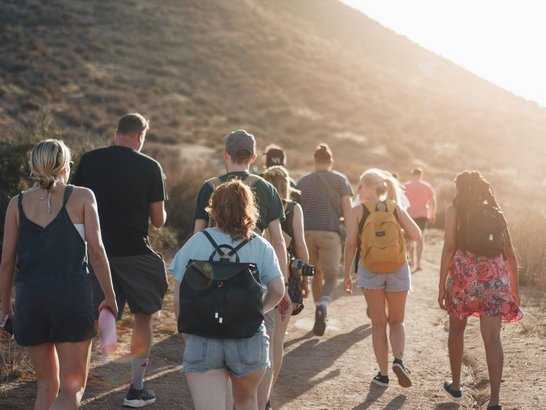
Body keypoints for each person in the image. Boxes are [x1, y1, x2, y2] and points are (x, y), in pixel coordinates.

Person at [0, 139, 118, 409]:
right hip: (72, 301)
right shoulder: (83, 196)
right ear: (65, 165)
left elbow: (6, 262)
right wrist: (110, 296)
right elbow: (97, 252)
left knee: (46, 386)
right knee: (71, 390)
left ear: (33, 166)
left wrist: (5, 306)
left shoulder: (16, 204)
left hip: (30, 302)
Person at [71, 113, 168, 408]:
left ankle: (74, 388)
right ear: (141, 136)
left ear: (116, 133)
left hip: (95, 250)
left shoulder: (89, 159)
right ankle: (135, 390)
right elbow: (159, 220)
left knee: (96, 311)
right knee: (144, 313)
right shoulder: (150, 166)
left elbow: (73, 205)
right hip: (134, 252)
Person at [192, 129, 289, 410]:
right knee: (262, 345)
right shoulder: (267, 188)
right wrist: (280, 284)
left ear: (226, 155)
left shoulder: (208, 186)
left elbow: (197, 236)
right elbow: (278, 240)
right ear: (254, 157)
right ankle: (259, 403)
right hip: (256, 279)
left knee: (216, 349)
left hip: (213, 281)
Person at [170, 180, 285, 410]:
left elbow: (178, 295)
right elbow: (278, 290)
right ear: (248, 209)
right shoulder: (261, 246)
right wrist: (255, 312)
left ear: (215, 209)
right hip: (247, 337)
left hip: (203, 335)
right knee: (246, 402)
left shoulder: (196, 242)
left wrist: (186, 331)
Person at [438, 171, 522, 409]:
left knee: (456, 330)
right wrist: (514, 290)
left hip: (463, 278)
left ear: (459, 188)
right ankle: (495, 400)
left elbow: (448, 248)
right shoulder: (495, 212)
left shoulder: (455, 210)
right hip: (494, 279)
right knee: (493, 338)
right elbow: (510, 255)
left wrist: (441, 284)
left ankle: (455, 386)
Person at [343, 168, 421, 388]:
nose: (358, 191)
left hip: (370, 269)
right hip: (397, 266)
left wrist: (347, 273)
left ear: (368, 188)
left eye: (360, 186)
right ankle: (399, 360)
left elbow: (350, 244)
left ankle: (383, 374)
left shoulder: (357, 211)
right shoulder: (395, 207)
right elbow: (416, 235)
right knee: (397, 321)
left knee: (378, 324)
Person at [262, 165, 310, 404]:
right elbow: (299, 244)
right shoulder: (293, 208)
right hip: (284, 277)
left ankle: (249, 392)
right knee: (276, 340)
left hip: (257, 277)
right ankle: (267, 396)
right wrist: (305, 278)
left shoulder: (257, 205)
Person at [297, 143, 353, 336]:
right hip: (330, 233)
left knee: (316, 274)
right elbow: (347, 207)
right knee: (330, 276)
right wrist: (349, 229)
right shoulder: (340, 180)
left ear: (315, 161)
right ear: (331, 161)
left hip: (306, 234)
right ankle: (323, 305)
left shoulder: (302, 182)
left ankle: (318, 312)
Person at [404, 167, 436, 272]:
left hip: (409, 214)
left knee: (408, 237)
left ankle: (409, 259)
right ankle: (418, 263)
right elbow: (432, 202)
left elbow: (401, 201)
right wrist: (432, 214)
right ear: (421, 175)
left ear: (412, 174)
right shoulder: (427, 186)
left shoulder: (406, 186)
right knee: (420, 238)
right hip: (423, 214)